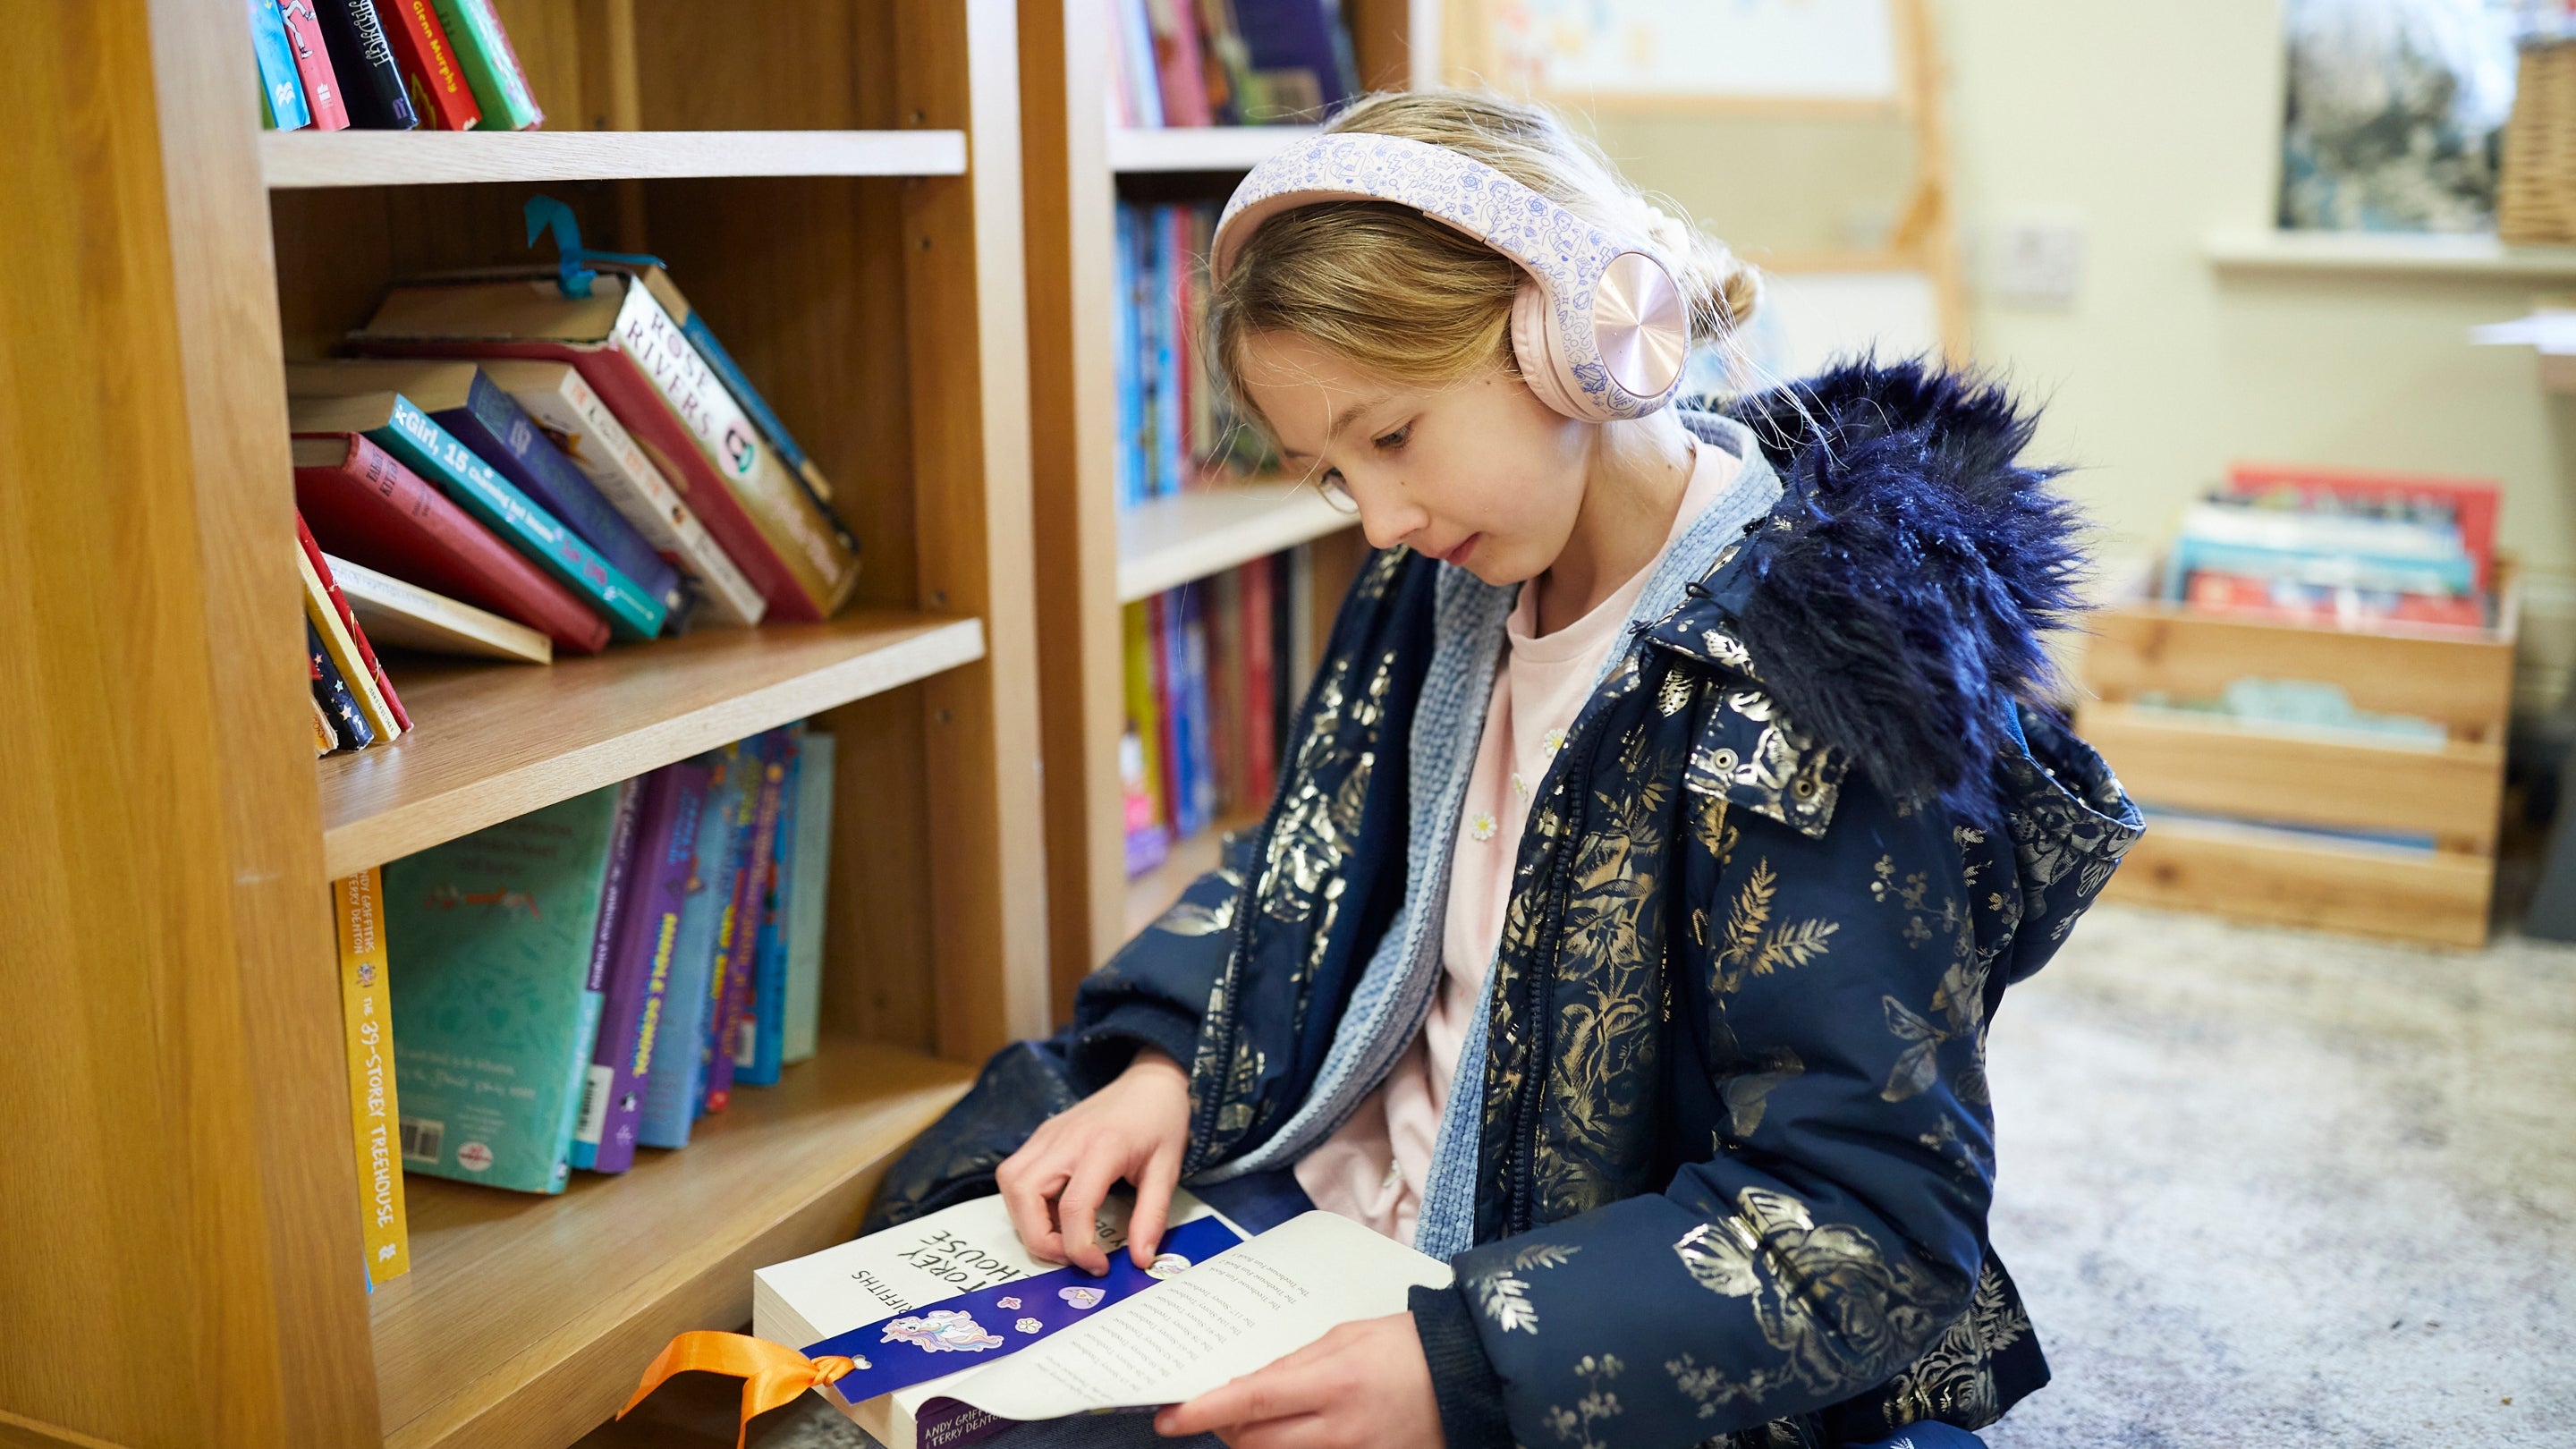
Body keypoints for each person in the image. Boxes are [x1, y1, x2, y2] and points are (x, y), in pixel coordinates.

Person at [866, 89, 2143, 1449]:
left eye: (1393, 435)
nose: (1382, 519)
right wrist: (1168, 1062)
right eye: (1331, 474)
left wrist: (1463, 1368)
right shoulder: (1453, 564)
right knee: (948, 1276)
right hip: (1347, 1205)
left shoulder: (1816, 684)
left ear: (1583, 335)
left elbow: (1862, 1225)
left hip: (1553, 1312)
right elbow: (1315, 851)